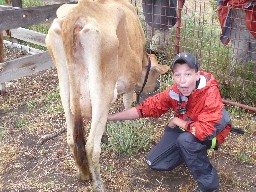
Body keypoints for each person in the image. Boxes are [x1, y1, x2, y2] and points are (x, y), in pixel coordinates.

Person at [108, 52, 232, 192]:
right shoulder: (175, 91)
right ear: (173, 76)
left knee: (186, 141)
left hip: (213, 135)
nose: (182, 81)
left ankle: (208, 185)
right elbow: (145, 108)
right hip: (191, 126)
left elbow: (205, 131)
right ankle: (188, 155)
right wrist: (110, 117)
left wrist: (178, 121)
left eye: (187, 74)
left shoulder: (209, 92)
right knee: (155, 162)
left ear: (197, 75)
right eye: (177, 75)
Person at [217, 0, 256, 73]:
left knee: (254, 56)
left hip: (253, 23)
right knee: (239, 54)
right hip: (238, 26)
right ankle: (236, 80)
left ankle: (251, 79)